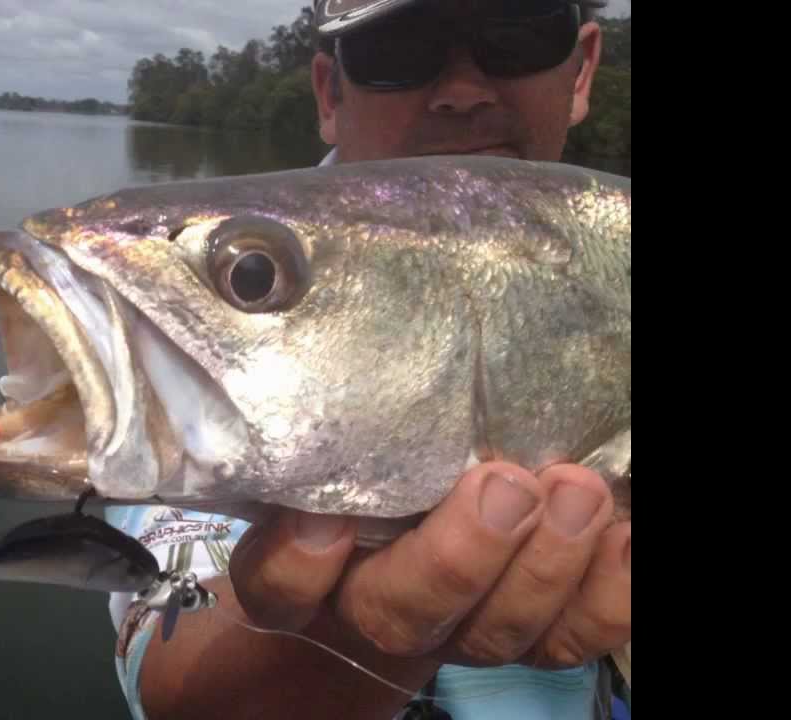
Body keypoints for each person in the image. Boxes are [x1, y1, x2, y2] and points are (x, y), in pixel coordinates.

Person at [104, 1, 631, 719]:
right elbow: (172, 668)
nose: (464, 90)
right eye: (401, 48)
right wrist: (366, 632)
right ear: (329, 93)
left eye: (515, 34)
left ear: (581, 70)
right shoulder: (207, 333)